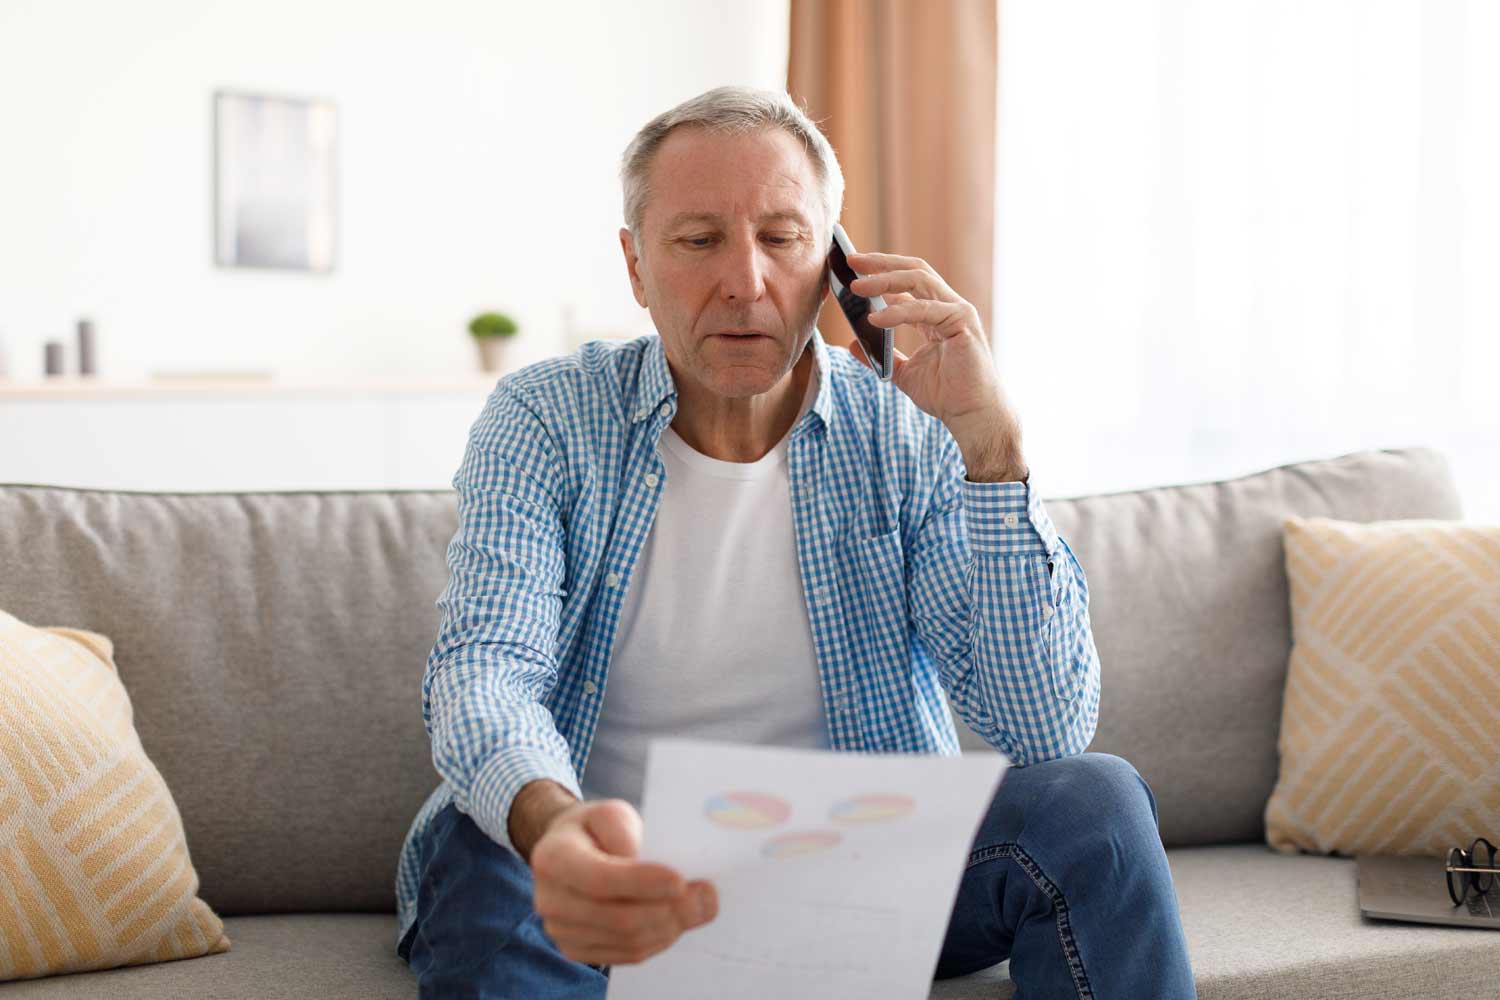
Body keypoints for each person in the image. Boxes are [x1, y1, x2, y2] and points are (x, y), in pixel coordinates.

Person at [394, 85, 1196, 999]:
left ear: (834, 265)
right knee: (487, 836)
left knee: (1095, 802)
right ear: (636, 265)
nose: (746, 280)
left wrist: (992, 447)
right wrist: (553, 824)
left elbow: (1044, 726)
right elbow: (485, 672)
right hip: (604, 870)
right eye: (699, 240)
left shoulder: (908, 431)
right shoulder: (545, 418)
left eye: (782, 237)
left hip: (846, 871)